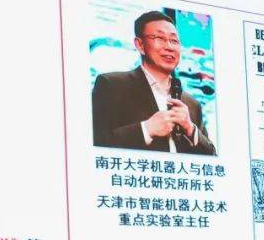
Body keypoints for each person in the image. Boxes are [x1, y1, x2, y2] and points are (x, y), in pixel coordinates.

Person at [91, 11, 216, 154]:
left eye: (174, 41)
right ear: (140, 45)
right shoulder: (112, 85)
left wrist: (190, 129)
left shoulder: (192, 104)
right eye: (160, 38)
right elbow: (96, 142)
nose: (169, 47)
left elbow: (212, 156)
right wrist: (146, 129)